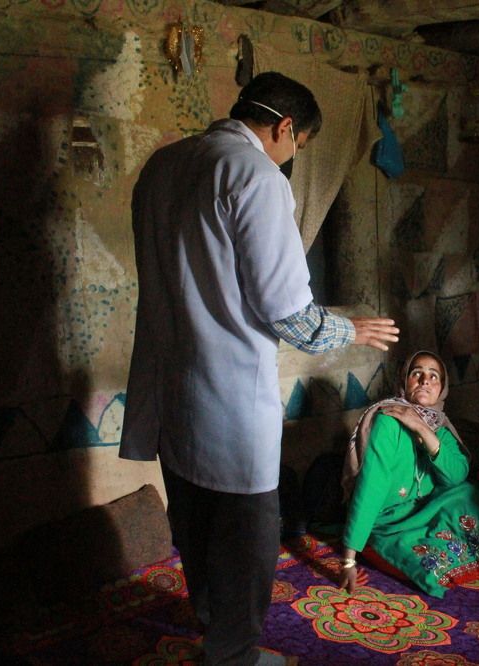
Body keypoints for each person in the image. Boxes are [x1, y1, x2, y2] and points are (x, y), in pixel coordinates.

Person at [120, 71, 399, 666]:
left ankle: (211, 632)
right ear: (285, 128)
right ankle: (235, 656)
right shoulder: (255, 176)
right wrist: (354, 329)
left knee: (193, 526)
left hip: (172, 385)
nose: (294, 156)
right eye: (297, 146)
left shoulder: (163, 166)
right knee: (246, 541)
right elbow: (288, 314)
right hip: (227, 397)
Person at [338, 350, 479, 598]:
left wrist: (423, 430)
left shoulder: (438, 425)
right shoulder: (388, 421)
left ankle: (437, 544)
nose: (426, 381)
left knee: (468, 493)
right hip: (389, 520)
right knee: (426, 567)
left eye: (434, 376)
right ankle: (389, 548)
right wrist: (348, 559)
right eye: (417, 374)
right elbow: (371, 487)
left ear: (442, 389)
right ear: (404, 381)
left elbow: (456, 475)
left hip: (425, 508)